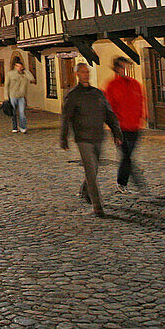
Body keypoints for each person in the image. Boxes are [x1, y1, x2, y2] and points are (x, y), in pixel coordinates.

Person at [60, 63, 122, 217]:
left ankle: (85, 191)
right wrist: (64, 137)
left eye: (87, 72)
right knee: (90, 168)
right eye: (82, 72)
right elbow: (66, 117)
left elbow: (109, 114)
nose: (86, 75)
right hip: (83, 138)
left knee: (94, 169)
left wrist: (116, 132)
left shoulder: (97, 93)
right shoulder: (73, 95)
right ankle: (97, 205)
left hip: (98, 136)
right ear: (77, 75)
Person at [104, 56, 146, 192]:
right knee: (126, 155)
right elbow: (110, 109)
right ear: (117, 69)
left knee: (128, 156)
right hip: (120, 128)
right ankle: (124, 182)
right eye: (123, 67)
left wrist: (141, 117)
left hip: (134, 126)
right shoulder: (112, 86)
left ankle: (128, 180)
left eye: (127, 67)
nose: (126, 70)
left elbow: (141, 102)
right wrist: (114, 128)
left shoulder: (135, 85)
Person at [5, 59, 34, 132]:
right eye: (18, 66)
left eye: (21, 66)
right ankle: (14, 127)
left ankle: (23, 127)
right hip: (12, 95)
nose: (19, 68)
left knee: (22, 112)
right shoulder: (10, 74)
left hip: (21, 96)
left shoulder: (24, 74)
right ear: (15, 66)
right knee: (13, 112)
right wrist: (6, 97)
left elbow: (32, 79)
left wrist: (26, 71)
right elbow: (6, 85)